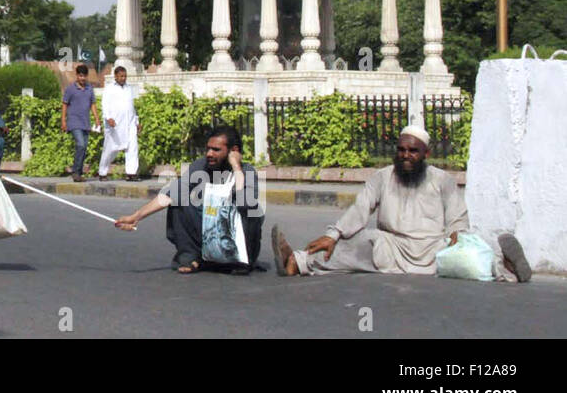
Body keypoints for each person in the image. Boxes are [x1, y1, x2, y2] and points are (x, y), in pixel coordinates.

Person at [271, 126, 531, 282]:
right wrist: (333, 233)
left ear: (426, 154)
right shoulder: (382, 177)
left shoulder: (443, 180)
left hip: (434, 248)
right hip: (390, 245)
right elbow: (360, 210)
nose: (406, 155)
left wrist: (458, 234)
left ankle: (507, 268)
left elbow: (457, 216)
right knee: (354, 244)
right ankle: (297, 261)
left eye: (413, 151)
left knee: (471, 251)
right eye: (401, 150)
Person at [114, 127, 264, 274]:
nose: (209, 154)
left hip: (237, 245)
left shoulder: (247, 172)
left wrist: (236, 168)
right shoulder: (200, 166)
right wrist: (136, 217)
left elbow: (244, 204)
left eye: (216, 150)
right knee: (179, 200)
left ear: (233, 151)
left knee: (252, 212)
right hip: (211, 235)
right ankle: (191, 256)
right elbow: (170, 194)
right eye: (208, 149)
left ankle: (239, 262)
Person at [98, 66, 138, 181]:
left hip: (129, 124)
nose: (123, 78)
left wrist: (136, 121)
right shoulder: (109, 88)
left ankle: (131, 173)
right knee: (110, 149)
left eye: (125, 76)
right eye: (121, 76)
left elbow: (132, 107)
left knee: (132, 147)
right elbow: (105, 105)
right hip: (114, 125)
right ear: (115, 76)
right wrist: (108, 118)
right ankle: (102, 172)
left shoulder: (129, 88)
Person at [61, 64, 99, 182]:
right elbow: (64, 104)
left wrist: (97, 118)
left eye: (84, 76)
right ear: (77, 76)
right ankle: (75, 172)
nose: (82, 78)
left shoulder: (89, 89)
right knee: (81, 144)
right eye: (80, 76)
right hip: (74, 122)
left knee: (84, 147)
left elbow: (92, 104)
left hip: (85, 123)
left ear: (87, 76)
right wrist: (63, 120)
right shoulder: (70, 89)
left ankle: (78, 172)